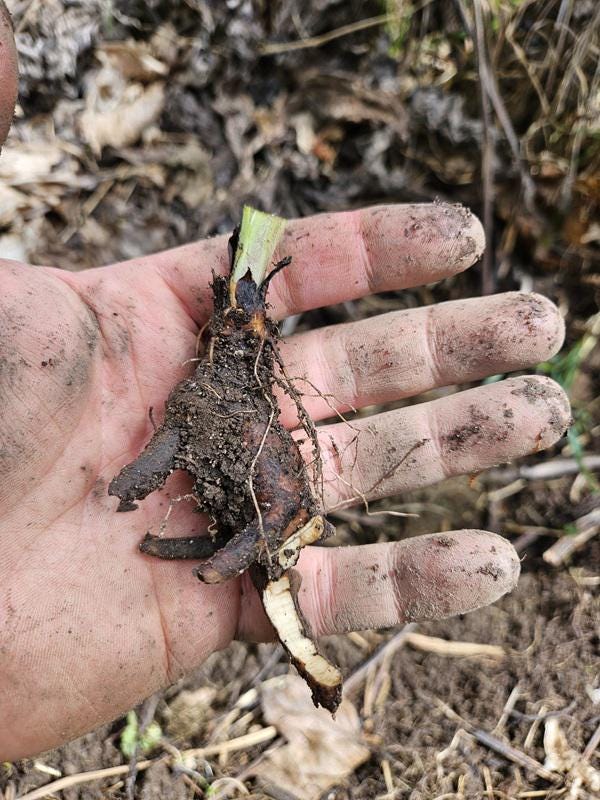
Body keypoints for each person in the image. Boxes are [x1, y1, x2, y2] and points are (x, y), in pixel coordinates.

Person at [0, 7, 570, 760]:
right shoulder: (204, 400)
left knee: (239, 526)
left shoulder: (215, 397)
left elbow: (184, 461)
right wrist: (155, 490)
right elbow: (167, 458)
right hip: (249, 483)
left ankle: (262, 562)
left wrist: (199, 521)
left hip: (257, 494)